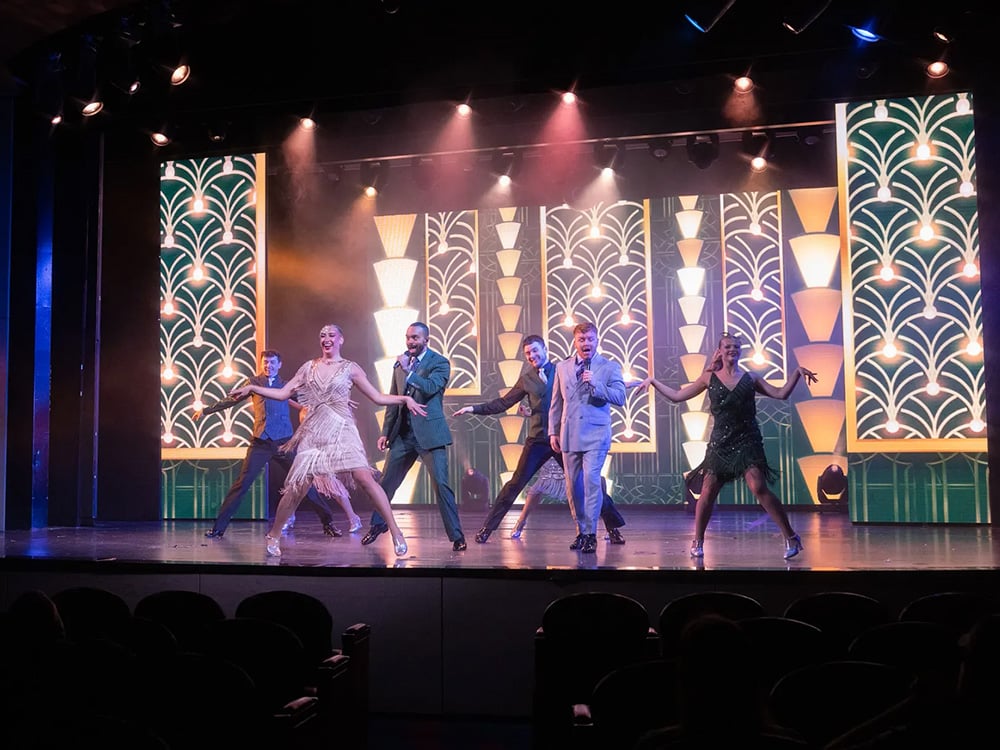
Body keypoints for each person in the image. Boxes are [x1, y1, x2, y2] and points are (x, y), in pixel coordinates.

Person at [228, 324, 425, 557]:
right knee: (298, 486)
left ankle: (395, 531)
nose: (326, 338)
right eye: (322, 335)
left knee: (364, 477)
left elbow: (377, 397)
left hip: (342, 429)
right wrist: (253, 387)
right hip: (314, 431)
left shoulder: (350, 368)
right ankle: (274, 534)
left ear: (341, 339)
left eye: (331, 335)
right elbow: (283, 394)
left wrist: (405, 399)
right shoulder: (308, 368)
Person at [641, 332, 817, 560]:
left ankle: (791, 536)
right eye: (727, 346)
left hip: (747, 440)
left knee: (758, 487)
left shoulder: (750, 378)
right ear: (720, 351)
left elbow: (781, 394)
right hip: (721, 443)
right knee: (706, 493)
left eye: (735, 346)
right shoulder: (709, 378)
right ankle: (698, 541)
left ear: (740, 350)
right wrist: (653, 381)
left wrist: (796, 374)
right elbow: (677, 396)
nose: (732, 349)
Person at [453, 334, 626, 544]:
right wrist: (473, 408)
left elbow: (572, 400)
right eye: (528, 353)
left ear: (545, 349)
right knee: (514, 484)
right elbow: (503, 403)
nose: (532, 356)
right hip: (537, 439)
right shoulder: (527, 379)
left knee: (586, 485)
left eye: (535, 351)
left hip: (562, 439)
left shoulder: (563, 369)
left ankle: (612, 527)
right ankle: (487, 528)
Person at [200, 350, 354, 539]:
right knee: (241, 484)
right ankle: (218, 529)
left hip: (284, 443)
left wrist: (338, 402)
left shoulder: (286, 386)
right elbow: (231, 400)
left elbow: (314, 399)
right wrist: (207, 410)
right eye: (265, 363)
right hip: (261, 442)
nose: (268, 366)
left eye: (272, 363)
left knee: (305, 484)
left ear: (279, 365)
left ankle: (328, 523)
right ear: (261, 364)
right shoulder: (253, 383)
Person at [360, 321, 467, 551]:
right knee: (386, 483)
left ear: (426, 340)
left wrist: (409, 372)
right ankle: (378, 525)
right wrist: (385, 432)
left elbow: (430, 388)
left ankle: (457, 535)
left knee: (441, 484)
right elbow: (394, 398)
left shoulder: (439, 362)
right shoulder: (400, 364)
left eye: (415, 338)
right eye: (408, 337)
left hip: (430, 435)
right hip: (403, 434)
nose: (411, 342)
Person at [548, 321, 627, 554]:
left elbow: (620, 397)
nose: (586, 343)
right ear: (575, 342)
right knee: (572, 487)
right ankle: (581, 531)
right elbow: (556, 402)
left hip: (596, 435)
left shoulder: (610, 367)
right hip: (569, 434)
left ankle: (592, 534)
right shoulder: (562, 367)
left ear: (597, 340)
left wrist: (597, 384)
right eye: (582, 340)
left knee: (592, 482)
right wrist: (553, 430)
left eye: (590, 339)